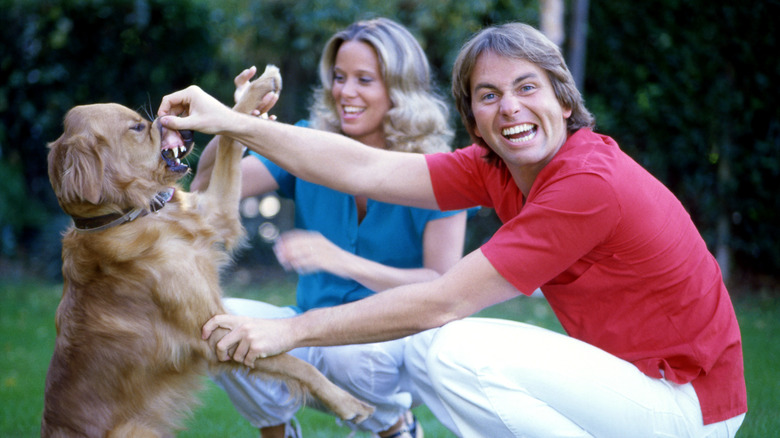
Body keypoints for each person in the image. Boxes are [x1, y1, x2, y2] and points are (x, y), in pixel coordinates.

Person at [159, 22, 747, 438]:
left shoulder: (586, 182)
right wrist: (234, 122)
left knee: (452, 350)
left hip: (687, 405)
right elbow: (363, 165)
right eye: (488, 96)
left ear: (564, 101)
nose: (509, 108)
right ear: (474, 118)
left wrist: (290, 332)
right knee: (448, 354)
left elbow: (443, 299)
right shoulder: (497, 168)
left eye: (526, 88)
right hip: (638, 386)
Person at [189, 18, 469, 438]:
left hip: (394, 346)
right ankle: (279, 432)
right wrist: (236, 122)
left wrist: (342, 261)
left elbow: (441, 284)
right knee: (214, 326)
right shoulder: (307, 142)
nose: (345, 92)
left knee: (349, 357)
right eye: (339, 77)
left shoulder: (439, 170)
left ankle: (394, 426)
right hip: (307, 328)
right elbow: (206, 192)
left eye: (364, 80)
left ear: (401, 89)